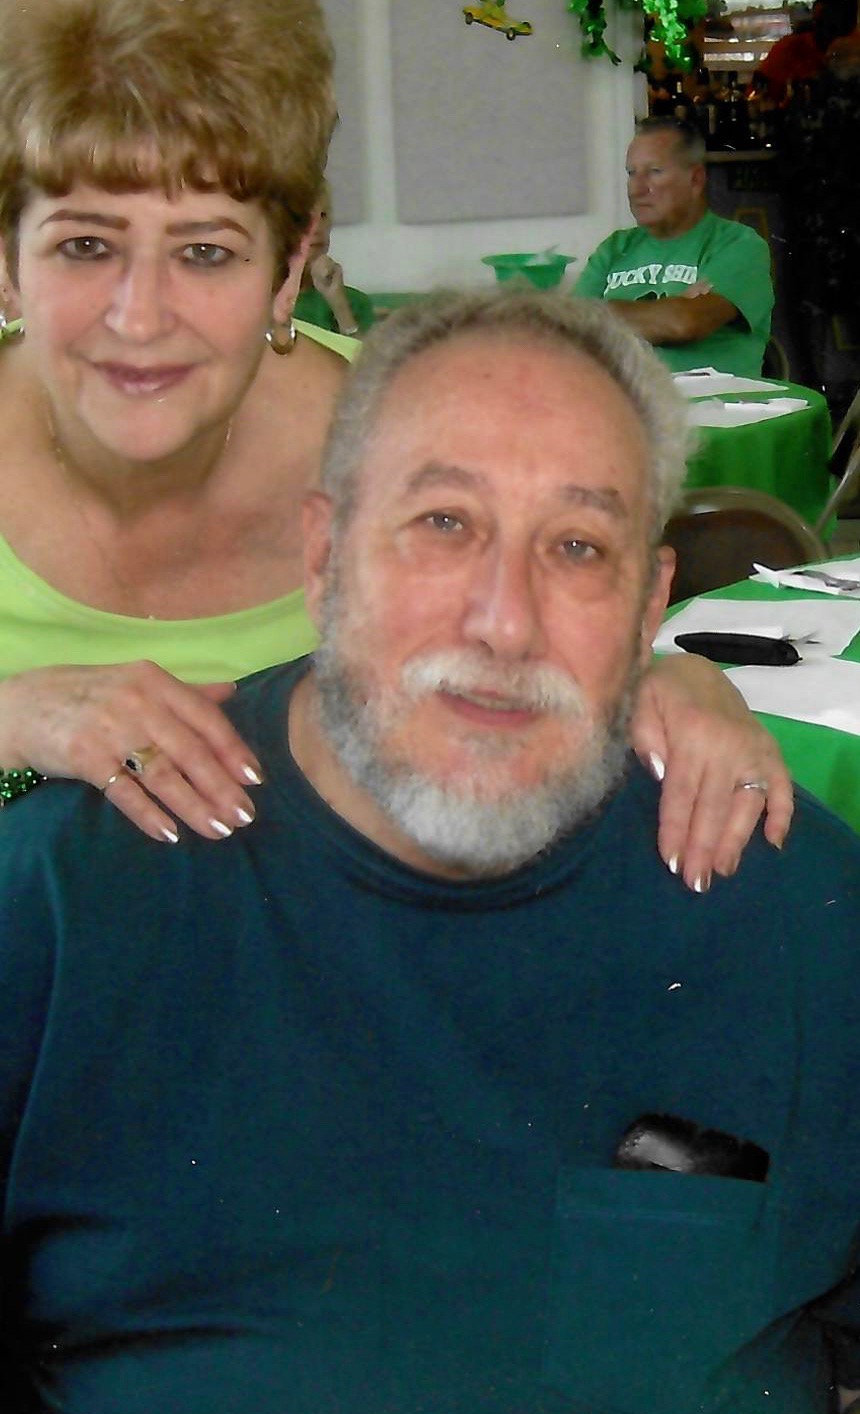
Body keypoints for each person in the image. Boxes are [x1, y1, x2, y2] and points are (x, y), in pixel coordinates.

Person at [2, 289, 859, 1414]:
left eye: (576, 547)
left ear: (648, 606)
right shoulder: (65, 902)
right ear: (321, 557)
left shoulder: (788, 899)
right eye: (442, 523)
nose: (502, 621)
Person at [0, 0, 793, 893]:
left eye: (206, 253)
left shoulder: (414, 427)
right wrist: (12, 721)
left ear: (287, 270)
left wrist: (669, 682)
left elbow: (547, 612)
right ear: (7, 261)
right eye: (85, 245)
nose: (140, 317)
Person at [573, 117, 774, 377]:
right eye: (632, 173)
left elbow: (683, 323)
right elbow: (570, 325)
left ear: (695, 179)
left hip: (712, 400)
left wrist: (597, 317)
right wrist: (672, 306)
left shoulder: (738, 244)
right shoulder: (614, 248)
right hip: (623, 398)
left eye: (655, 171)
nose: (637, 189)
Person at [294, 180, 375, 338]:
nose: (317, 228)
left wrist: (340, 307)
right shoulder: (258, 301)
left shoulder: (355, 302)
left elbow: (363, 355)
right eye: (303, 218)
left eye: (323, 216)